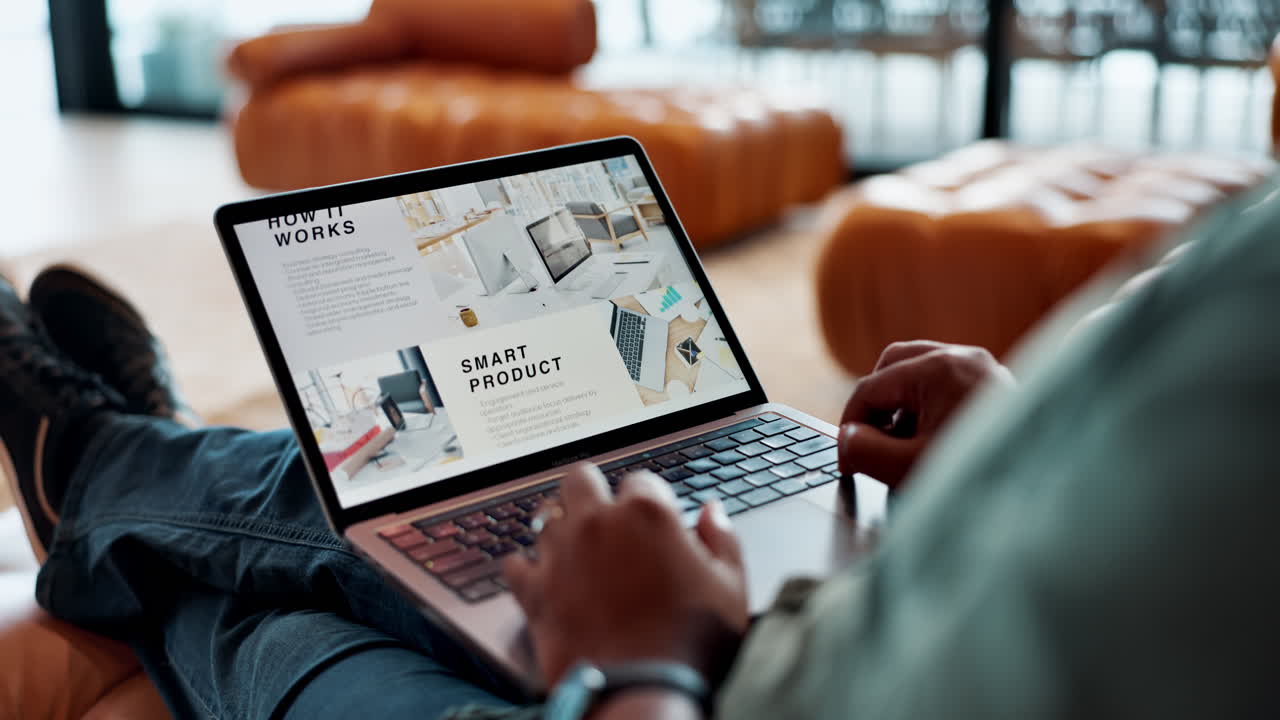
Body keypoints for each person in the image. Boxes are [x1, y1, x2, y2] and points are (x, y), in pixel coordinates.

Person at [4, 171, 1280, 720]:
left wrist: (644, 663)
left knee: (284, 606)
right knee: (415, 515)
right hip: (856, 619)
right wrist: (1026, 456)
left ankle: (102, 459)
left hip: (691, 689)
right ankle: (115, 469)